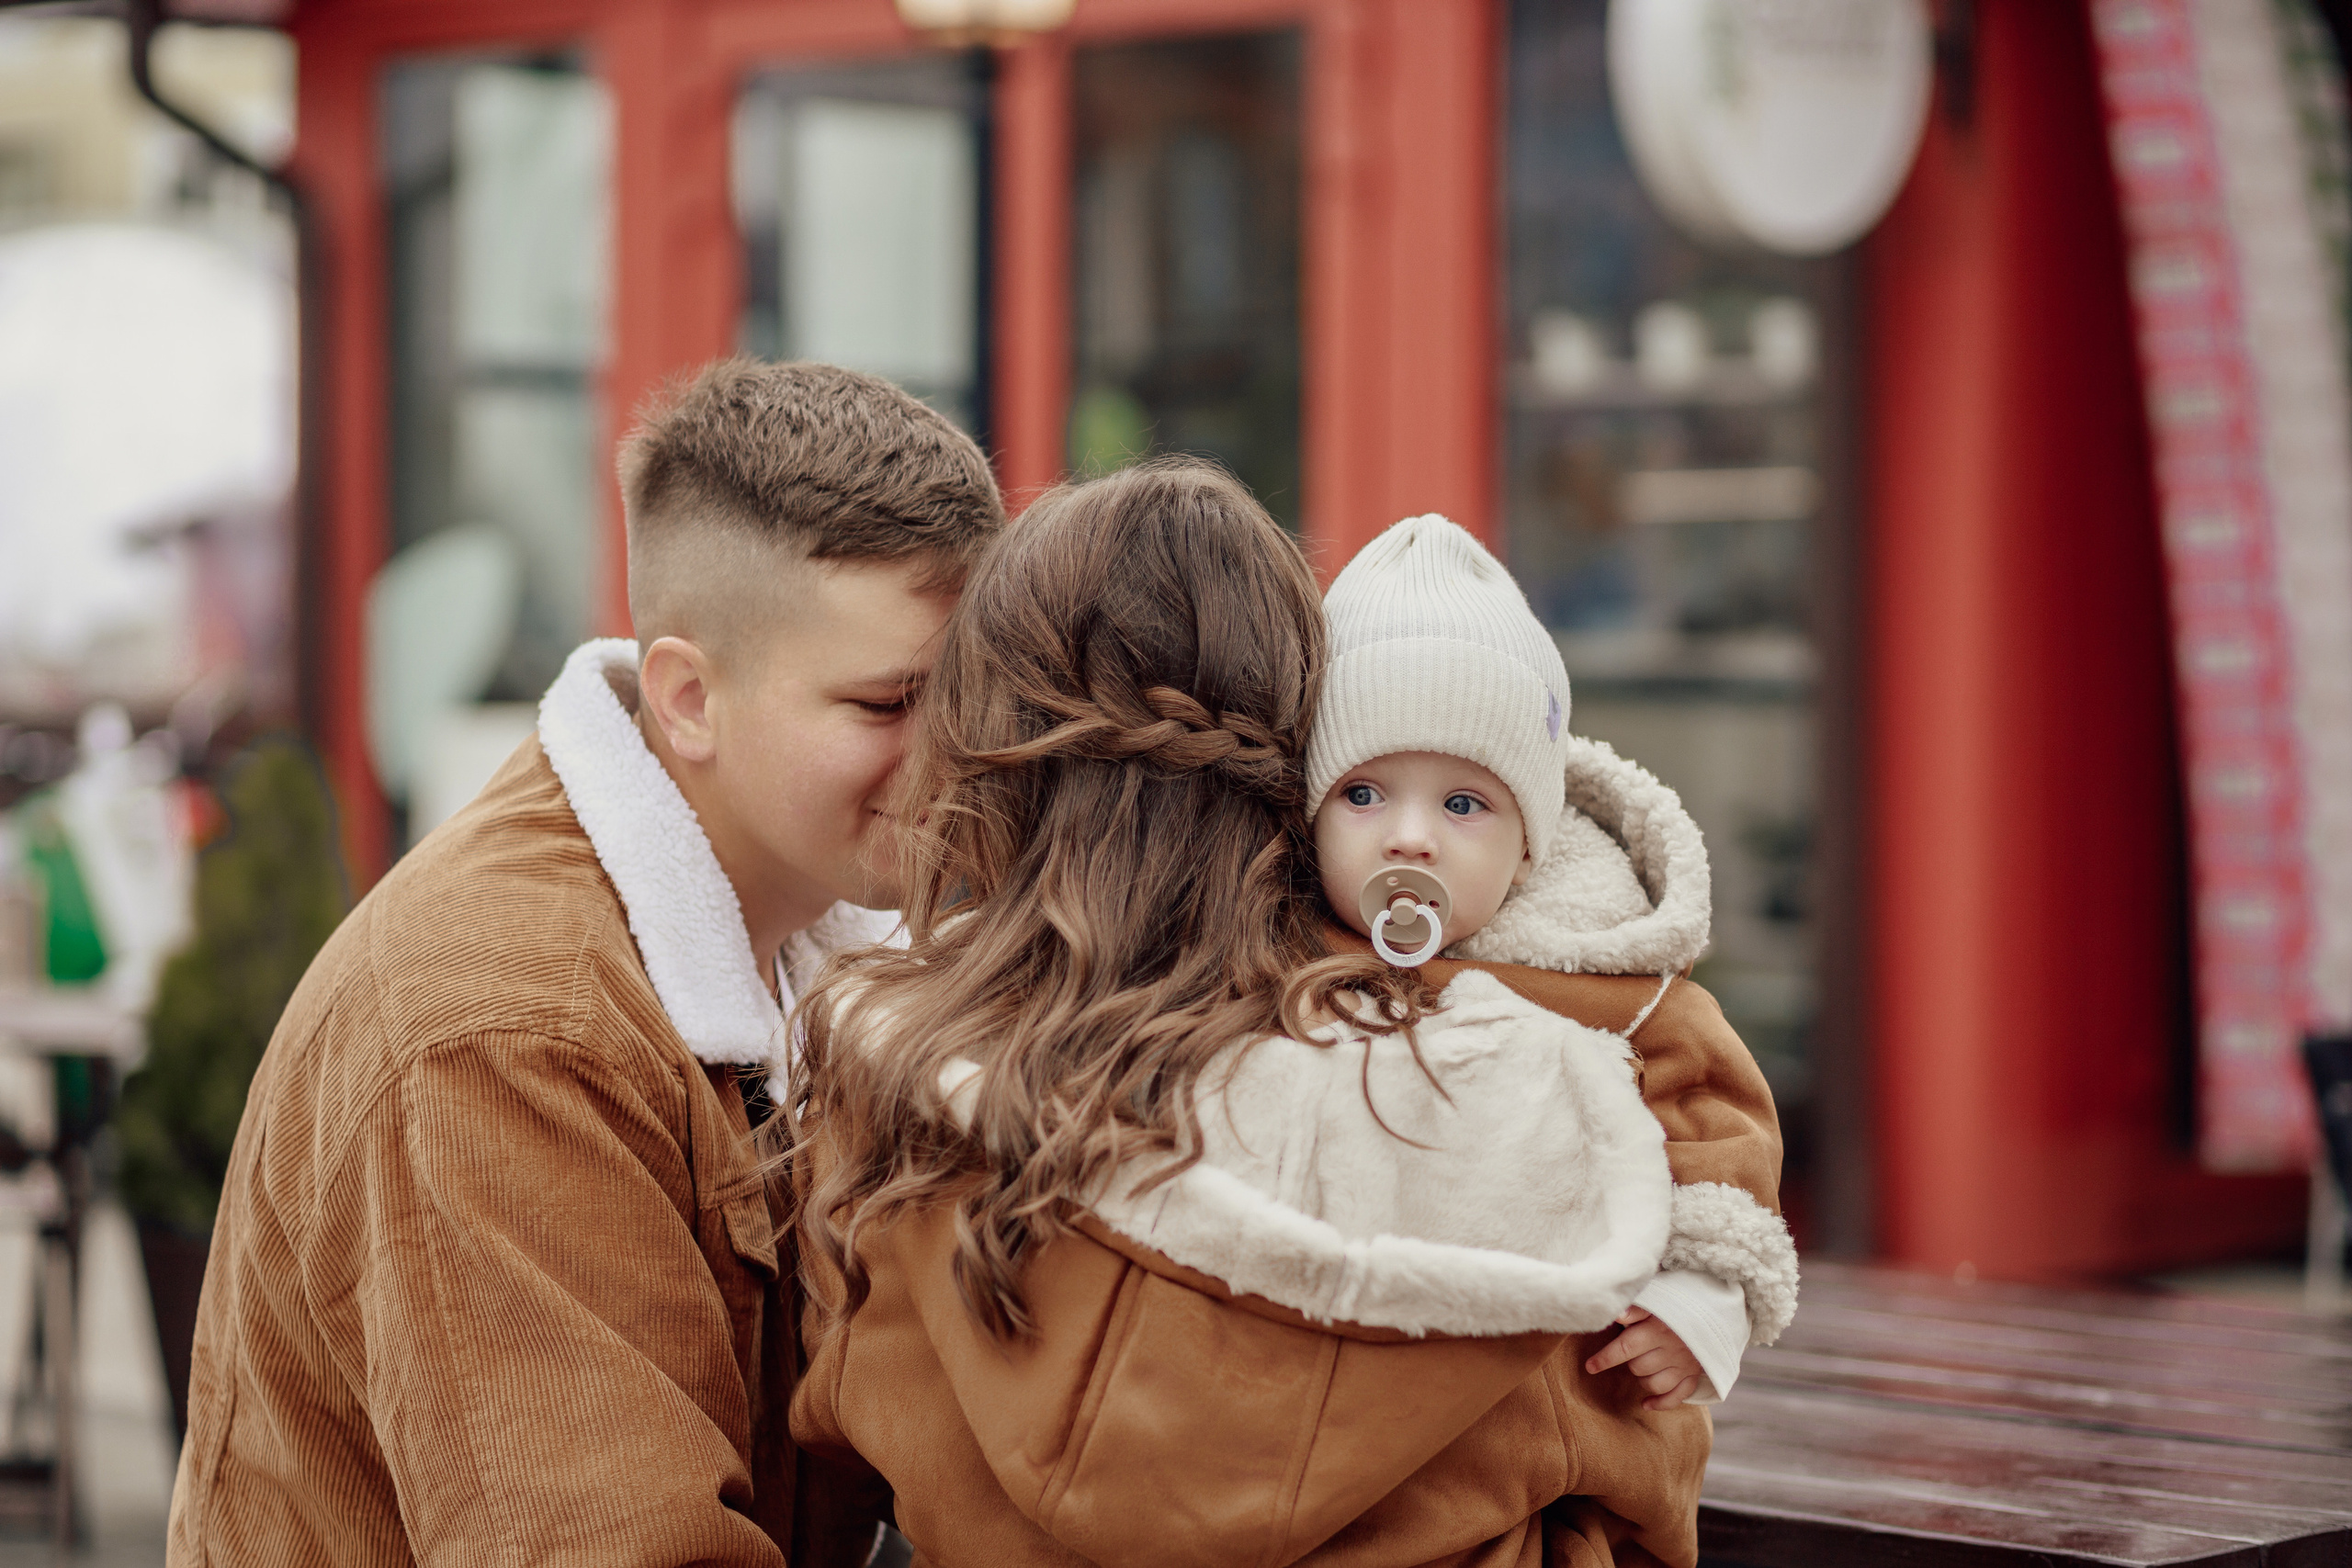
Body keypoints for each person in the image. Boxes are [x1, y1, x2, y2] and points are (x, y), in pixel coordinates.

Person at [786, 460, 1787, 1568]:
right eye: (1366, 792)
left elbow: (844, 1421)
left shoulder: (888, 1051)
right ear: (1291, 769)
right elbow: (1636, 1467)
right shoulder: (1528, 1078)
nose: (1409, 836)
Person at [167, 359, 1001, 1567]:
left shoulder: (831, 945)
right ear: (687, 699)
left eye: (974, 687)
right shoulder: (503, 1028)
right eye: (886, 704)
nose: (955, 754)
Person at [1304, 512, 1795, 1414]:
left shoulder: (1612, 985)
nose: (1409, 838)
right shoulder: (1278, 955)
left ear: (1530, 845)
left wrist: (1699, 1302)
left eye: (1462, 803)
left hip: (1537, 1391)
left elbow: (1720, 1140)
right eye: (1363, 793)